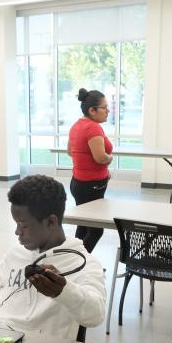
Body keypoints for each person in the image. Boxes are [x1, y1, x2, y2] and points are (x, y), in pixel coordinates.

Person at [0, 175, 106, 340]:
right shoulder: (17, 252)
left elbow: (96, 315)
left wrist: (64, 291)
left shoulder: (84, 264)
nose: (17, 232)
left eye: (23, 225)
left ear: (51, 222)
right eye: (16, 224)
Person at [66, 88, 113, 253]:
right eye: (105, 107)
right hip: (91, 186)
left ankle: (74, 263)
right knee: (96, 230)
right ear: (92, 110)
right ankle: (79, 263)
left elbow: (70, 151)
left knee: (84, 225)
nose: (108, 111)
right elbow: (100, 157)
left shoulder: (76, 126)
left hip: (78, 183)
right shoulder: (93, 128)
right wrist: (109, 159)